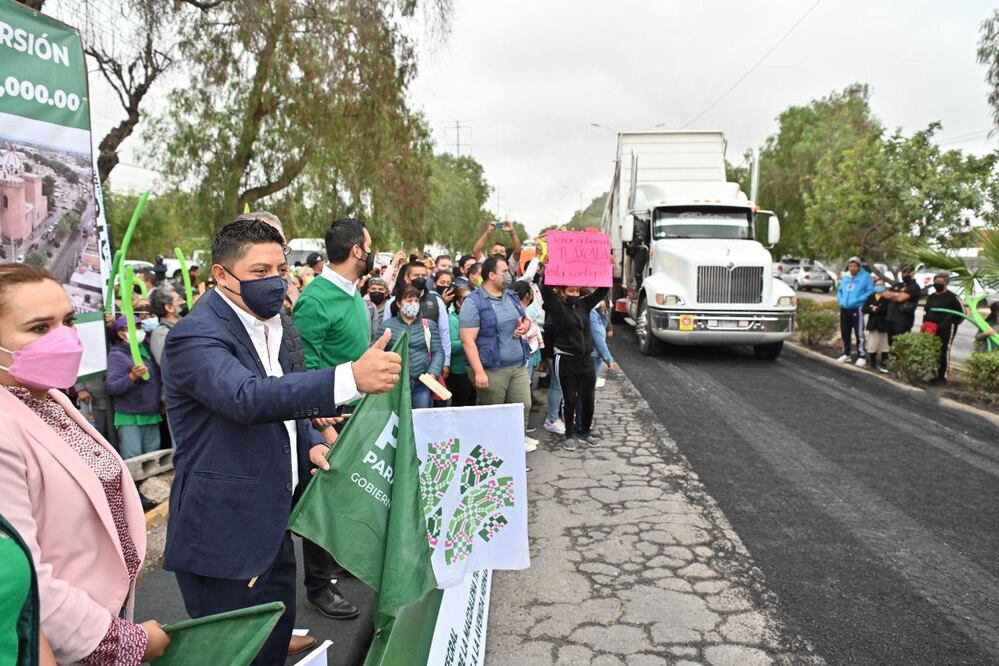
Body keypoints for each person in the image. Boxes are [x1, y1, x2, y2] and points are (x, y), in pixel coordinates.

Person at [162, 219, 401, 664]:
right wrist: (350, 378)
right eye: (258, 272)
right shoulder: (195, 337)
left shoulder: (280, 323)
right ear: (220, 275)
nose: (273, 281)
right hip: (225, 535)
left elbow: (286, 398)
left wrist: (310, 438)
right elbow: (246, 397)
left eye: (279, 269)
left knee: (272, 643)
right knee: (237, 653)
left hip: (274, 522)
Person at [0, 263, 171, 664]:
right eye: (40, 328)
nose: (65, 338)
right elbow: (23, 578)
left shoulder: (47, 396)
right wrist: (122, 642)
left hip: (105, 610)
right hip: (57, 643)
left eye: (68, 321)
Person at [459, 256, 539, 452]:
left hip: (517, 366)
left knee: (522, 408)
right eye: (504, 271)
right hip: (492, 369)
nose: (508, 275)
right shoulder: (474, 302)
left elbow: (525, 319)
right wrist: (479, 372)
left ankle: (515, 456)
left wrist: (524, 326)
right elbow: (467, 340)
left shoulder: (511, 296)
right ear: (491, 275)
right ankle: (493, 458)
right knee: (493, 416)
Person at [539, 273, 609, 451]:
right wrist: (547, 271)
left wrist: (606, 269)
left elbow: (603, 290)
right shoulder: (557, 307)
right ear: (562, 292)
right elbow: (546, 291)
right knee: (569, 398)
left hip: (585, 360)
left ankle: (585, 431)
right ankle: (569, 433)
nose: (575, 294)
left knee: (588, 398)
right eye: (571, 290)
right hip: (566, 359)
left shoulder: (584, 305)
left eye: (577, 291)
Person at [376, 285, 444, 409]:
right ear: (398, 303)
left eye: (416, 301)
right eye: (409, 301)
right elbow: (376, 353)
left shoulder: (429, 325)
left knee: (421, 419)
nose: (413, 304)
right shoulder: (387, 326)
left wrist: (433, 373)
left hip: (422, 383)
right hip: (395, 384)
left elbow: (438, 351)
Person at [106, 315, 163, 460]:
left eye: (139, 327)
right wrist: (132, 377)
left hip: (151, 414)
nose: (137, 331)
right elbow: (112, 387)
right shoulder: (117, 355)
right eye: (132, 328)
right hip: (130, 416)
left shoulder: (146, 350)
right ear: (120, 333)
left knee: (154, 459)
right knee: (134, 460)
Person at [388, 261, 451, 382]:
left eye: (424, 276)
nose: (421, 279)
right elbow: (387, 330)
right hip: (398, 374)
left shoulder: (436, 299)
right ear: (407, 278)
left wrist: (445, 362)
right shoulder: (392, 302)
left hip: (427, 369)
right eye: (416, 276)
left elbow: (444, 332)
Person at [922, 273, 964, 385]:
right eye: (936, 282)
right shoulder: (931, 297)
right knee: (931, 350)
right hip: (931, 328)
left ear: (946, 283)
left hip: (946, 329)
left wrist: (950, 323)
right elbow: (926, 311)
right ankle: (931, 373)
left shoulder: (953, 297)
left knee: (944, 350)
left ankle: (942, 377)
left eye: (940, 282)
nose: (937, 284)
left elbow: (962, 313)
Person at [836, 256, 873, 367]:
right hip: (845, 308)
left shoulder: (865, 277)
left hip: (857, 308)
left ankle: (861, 355)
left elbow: (870, 291)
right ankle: (846, 353)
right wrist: (841, 300)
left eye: (855, 266)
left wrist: (858, 300)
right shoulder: (846, 276)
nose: (852, 268)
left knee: (859, 332)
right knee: (845, 331)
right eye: (851, 266)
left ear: (859, 266)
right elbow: (840, 291)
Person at [448, 284, 476, 407]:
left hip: (473, 368)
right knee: (461, 405)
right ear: (458, 303)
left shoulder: (475, 318)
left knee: (472, 402)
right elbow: (452, 346)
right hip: (459, 370)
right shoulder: (452, 319)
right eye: (466, 300)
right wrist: (470, 341)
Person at [882, 266, 923, 346]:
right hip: (890, 319)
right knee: (890, 343)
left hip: (903, 321)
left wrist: (894, 295)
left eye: (908, 272)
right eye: (904, 272)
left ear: (913, 273)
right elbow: (885, 294)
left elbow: (900, 299)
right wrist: (897, 294)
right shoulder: (897, 285)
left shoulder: (914, 287)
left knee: (900, 344)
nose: (905, 274)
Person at [148, 284, 185, 368]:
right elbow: (167, 365)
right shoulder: (161, 333)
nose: (184, 302)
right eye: (179, 300)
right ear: (169, 307)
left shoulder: (184, 323)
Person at [861, 276, 892, 373]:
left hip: (884, 325)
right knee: (872, 345)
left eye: (881, 285)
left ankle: (884, 364)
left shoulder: (887, 298)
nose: (879, 287)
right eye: (877, 285)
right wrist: (873, 309)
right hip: (873, 324)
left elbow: (887, 310)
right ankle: (872, 364)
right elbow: (864, 309)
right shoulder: (872, 296)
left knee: (884, 346)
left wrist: (876, 309)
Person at [590, 300, 615, 388]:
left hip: (592, 353)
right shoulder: (592, 314)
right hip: (593, 354)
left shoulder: (594, 313)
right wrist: (608, 359)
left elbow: (602, 326)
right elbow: (598, 338)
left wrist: (603, 314)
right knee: (589, 385)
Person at [366, 277, 391, 341]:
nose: (377, 291)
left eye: (380, 289)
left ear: (386, 293)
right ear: (368, 292)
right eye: (373, 289)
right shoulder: (364, 307)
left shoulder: (390, 309)